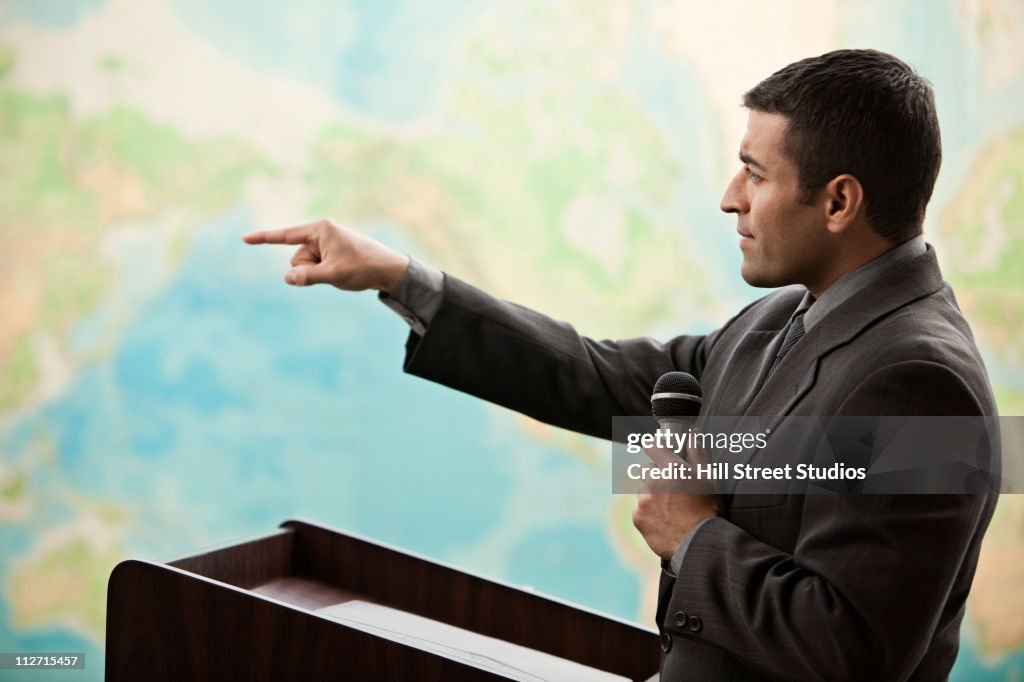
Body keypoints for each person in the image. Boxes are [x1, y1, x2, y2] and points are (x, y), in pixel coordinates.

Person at [243, 49, 999, 681]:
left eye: (756, 174)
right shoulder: (780, 319)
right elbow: (598, 376)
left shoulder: (921, 384)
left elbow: (856, 650)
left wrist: (693, 536)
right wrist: (399, 277)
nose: (730, 198)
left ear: (838, 202)